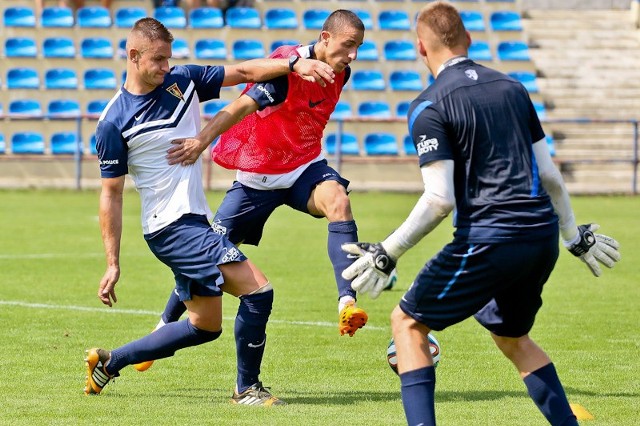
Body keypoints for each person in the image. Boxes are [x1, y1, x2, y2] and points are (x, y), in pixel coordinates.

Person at [340, 2, 621, 426]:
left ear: (420, 48)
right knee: (512, 336)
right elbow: (549, 174)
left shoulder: (429, 104)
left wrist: (387, 252)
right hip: (542, 236)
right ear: (469, 39)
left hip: (490, 238)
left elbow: (440, 199)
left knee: (407, 323)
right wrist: (572, 236)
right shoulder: (513, 88)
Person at [84, 17, 334, 406]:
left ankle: (110, 362)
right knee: (258, 291)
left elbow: (244, 72)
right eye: (158, 59)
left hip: (191, 223)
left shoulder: (181, 81)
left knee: (205, 326)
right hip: (170, 228)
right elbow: (110, 196)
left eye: (169, 58)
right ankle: (247, 389)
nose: (166, 66)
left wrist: (293, 63)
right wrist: (112, 263)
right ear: (132, 56)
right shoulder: (113, 123)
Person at [130, 11, 373, 375]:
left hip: (303, 168)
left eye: (359, 47)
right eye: (348, 45)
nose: (353, 54)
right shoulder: (283, 70)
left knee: (338, 200)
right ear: (325, 37)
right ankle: (165, 323)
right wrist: (200, 140)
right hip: (256, 181)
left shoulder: (342, 73)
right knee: (209, 254)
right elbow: (239, 106)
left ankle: (346, 302)